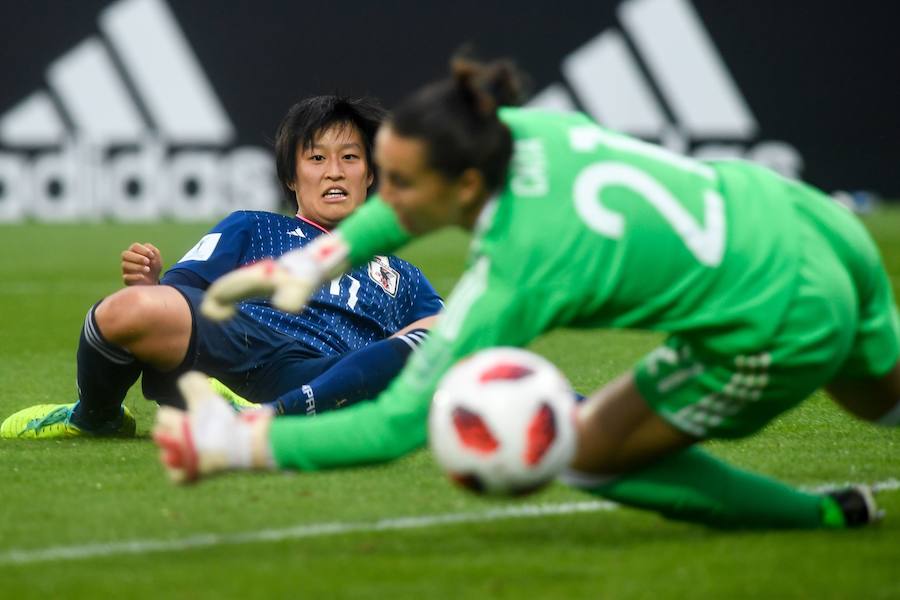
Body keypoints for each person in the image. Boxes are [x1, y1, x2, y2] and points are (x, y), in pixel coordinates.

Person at [154, 58, 899, 529]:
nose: (389, 197)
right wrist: (319, 260)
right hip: (813, 224)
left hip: (781, 317)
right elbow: (411, 203)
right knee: (879, 399)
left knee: (587, 454)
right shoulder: (520, 128)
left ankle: (820, 519)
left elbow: (395, 426)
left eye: (402, 182)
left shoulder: (518, 267)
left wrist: (241, 442)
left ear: (467, 187)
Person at [1, 95, 442, 439]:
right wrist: (152, 287)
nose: (334, 172)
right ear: (291, 177)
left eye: (350, 158)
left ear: (370, 175)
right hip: (244, 348)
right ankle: (94, 418)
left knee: (439, 334)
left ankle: (274, 414)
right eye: (316, 158)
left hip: (332, 372)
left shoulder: (401, 274)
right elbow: (180, 294)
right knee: (128, 308)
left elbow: (450, 337)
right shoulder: (252, 226)